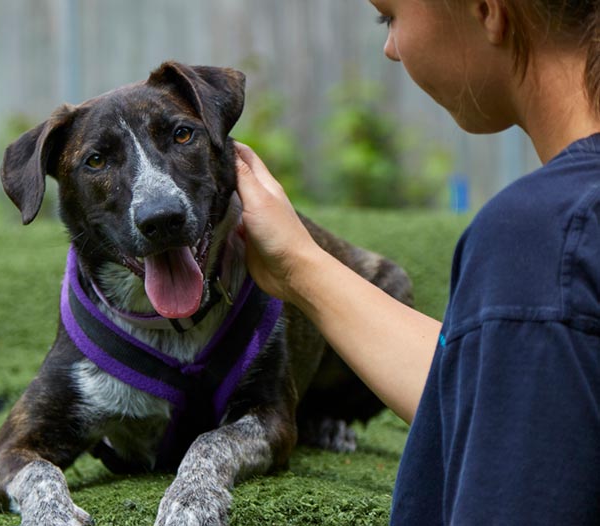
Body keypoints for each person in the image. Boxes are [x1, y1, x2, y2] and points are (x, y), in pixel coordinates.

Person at [233, 0, 600, 523]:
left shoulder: (547, 235)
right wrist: (296, 263)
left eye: (390, 16)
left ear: (487, 10)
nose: (391, 48)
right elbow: (507, 391)